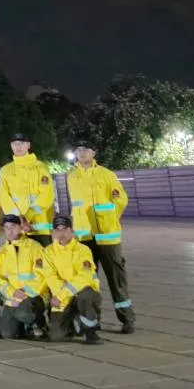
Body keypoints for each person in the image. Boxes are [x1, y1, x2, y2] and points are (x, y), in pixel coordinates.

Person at [67, 134, 135, 333]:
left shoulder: (106, 174)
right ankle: (91, 320)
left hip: (107, 236)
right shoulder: (72, 176)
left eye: (85, 150)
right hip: (84, 237)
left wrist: (110, 217)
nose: (81, 153)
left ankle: (127, 319)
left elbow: (120, 199)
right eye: (78, 150)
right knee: (87, 279)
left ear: (94, 152)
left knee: (116, 279)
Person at [44, 215, 101, 344]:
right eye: (57, 230)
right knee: (56, 337)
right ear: (53, 232)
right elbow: (50, 276)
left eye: (64, 229)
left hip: (82, 292)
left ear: (71, 230)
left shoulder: (83, 250)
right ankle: (74, 322)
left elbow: (84, 277)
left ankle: (91, 331)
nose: (61, 233)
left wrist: (62, 294)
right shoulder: (48, 251)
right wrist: (61, 296)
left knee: (86, 296)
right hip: (62, 296)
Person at [0, 214, 49, 340]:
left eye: (13, 226)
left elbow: (42, 276)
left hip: (34, 295)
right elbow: (1, 279)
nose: (10, 230)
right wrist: (13, 293)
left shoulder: (35, 247)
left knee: (23, 313)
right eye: (6, 227)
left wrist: (25, 293)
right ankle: (23, 325)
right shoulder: (2, 252)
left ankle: (38, 323)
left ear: (20, 227)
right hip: (13, 297)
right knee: (7, 333)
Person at [0, 133, 54, 245]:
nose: (18, 146)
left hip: (40, 226)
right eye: (15, 144)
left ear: (28, 145)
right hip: (16, 227)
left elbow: (46, 195)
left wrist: (27, 216)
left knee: (43, 255)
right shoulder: (5, 170)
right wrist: (18, 219)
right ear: (11, 146)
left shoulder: (41, 167)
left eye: (21, 143)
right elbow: (4, 198)